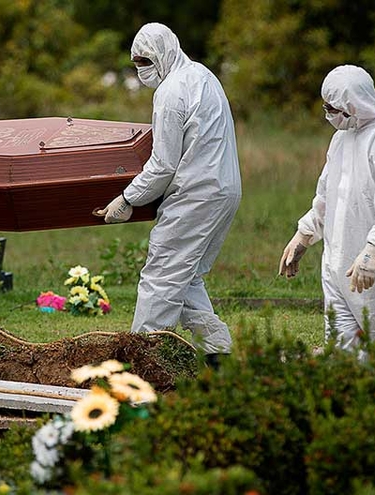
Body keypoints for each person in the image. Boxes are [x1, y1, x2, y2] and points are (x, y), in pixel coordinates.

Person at [98, 23, 242, 367]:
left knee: (161, 274)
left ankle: (146, 359)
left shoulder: (170, 92)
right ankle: (216, 352)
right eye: (136, 63)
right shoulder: (202, 75)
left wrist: (127, 198)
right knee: (186, 273)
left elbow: (163, 165)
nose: (142, 70)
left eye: (145, 61)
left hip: (196, 194)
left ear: (162, 53)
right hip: (223, 190)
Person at [278, 64, 375, 359]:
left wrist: (373, 249)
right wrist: (304, 235)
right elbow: (327, 196)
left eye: (332, 108)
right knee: (343, 352)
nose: (328, 114)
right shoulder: (341, 140)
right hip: (338, 261)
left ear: (352, 105)